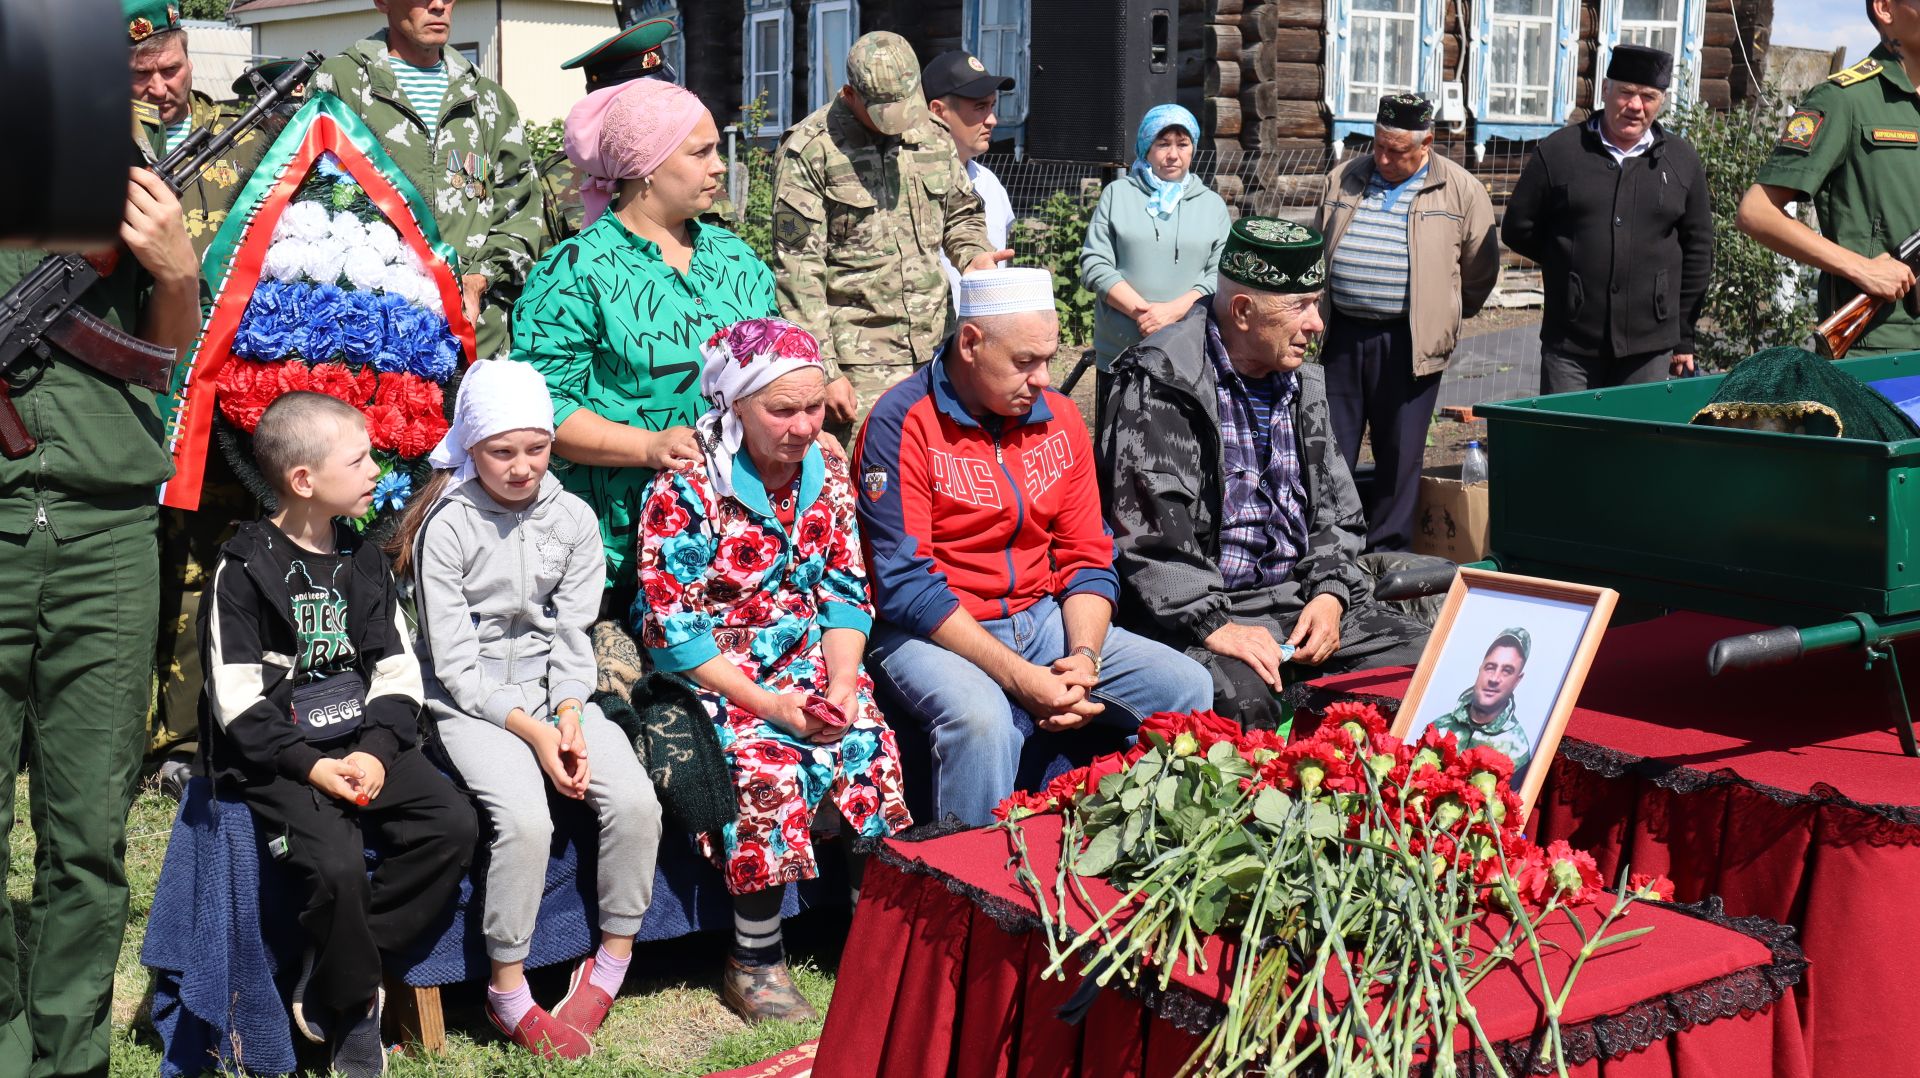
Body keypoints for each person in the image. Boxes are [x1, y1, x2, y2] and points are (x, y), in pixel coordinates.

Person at [0, 70, 199, 1078]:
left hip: (105, 532)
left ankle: (68, 1055)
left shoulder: (111, 167)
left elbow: (163, 362)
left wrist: (174, 273)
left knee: (87, 837)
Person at [856, 268, 1215, 826]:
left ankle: (1149, 859)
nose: (1044, 378)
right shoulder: (902, 420)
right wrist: (1021, 679)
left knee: (1186, 686)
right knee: (982, 722)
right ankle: (970, 898)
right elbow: (905, 586)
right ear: (971, 344)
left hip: (1040, 616)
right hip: (931, 631)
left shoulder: (1061, 418)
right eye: (1025, 361)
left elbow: (1088, 556)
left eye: (1048, 358)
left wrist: (1085, 658)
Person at [634, 318, 912, 1023]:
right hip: (715, 673)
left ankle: (869, 941)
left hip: (811, 664)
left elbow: (846, 593)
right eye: (781, 410)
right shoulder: (687, 486)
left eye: (812, 407)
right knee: (763, 763)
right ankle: (753, 958)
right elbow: (675, 630)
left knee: (867, 744)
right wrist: (769, 706)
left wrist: (844, 686)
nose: (802, 426)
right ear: (734, 405)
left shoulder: (827, 469)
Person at [200, 393, 476, 1077]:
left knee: (453, 824)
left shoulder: (364, 559)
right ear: (303, 480)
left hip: (363, 739)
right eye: (358, 459)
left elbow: (397, 670)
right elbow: (236, 703)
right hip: (283, 759)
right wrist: (313, 768)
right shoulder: (242, 570)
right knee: (336, 865)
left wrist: (376, 748)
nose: (375, 469)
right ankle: (356, 1010)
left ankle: (341, 962)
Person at [395, 361, 662, 1059]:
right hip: (470, 702)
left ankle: (612, 960)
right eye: (500, 452)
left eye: (536, 449)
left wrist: (571, 713)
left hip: (556, 691)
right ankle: (507, 987)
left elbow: (575, 635)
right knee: (524, 818)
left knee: (635, 803)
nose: (521, 467)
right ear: (471, 448)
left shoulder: (572, 518)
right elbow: (452, 663)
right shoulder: (447, 528)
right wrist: (535, 734)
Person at [1099, 219, 1431, 731]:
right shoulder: (1163, 383)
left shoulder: (1303, 384)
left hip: (1300, 601)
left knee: (1425, 665)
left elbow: (1337, 513)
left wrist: (1329, 594)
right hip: (1198, 616)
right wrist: (1214, 625)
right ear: (1243, 312)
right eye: (1299, 306)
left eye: (1316, 302)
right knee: (1242, 704)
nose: (1317, 323)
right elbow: (1149, 541)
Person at [515, 76, 775, 701]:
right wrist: (648, 447)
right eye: (701, 152)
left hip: (732, 541)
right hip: (616, 546)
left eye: (718, 150)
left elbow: (772, 377)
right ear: (645, 168)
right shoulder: (576, 270)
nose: (719, 167)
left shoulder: (738, 262)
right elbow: (542, 410)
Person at [141, 6, 285, 795]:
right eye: (140, 78)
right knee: (137, 569)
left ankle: (194, 735)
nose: (163, 89)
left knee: (214, 563)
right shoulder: (85, 148)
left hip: (224, 396)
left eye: (174, 68)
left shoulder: (246, 137)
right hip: (125, 394)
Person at [773, 31, 1011, 442]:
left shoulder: (932, 135)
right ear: (851, 94)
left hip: (939, 352)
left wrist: (972, 255)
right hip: (859, 366)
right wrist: (824, 371)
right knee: (870, 487)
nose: (901, 125)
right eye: (886, 113)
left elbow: (962, 213)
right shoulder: (811, 152)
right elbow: (798, 275)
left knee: (939, 481)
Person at [313, 0, 547, 364]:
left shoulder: (487, 100)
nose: (438, 5)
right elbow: (310, 204)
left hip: (476, 340)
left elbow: (521, 211)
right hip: (376, 340)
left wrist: (480, 277)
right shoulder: (341, 83)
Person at [1316, 93, 1499, 552]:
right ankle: (1331, 546)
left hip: (1410, 341)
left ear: (1427, 144)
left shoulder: (1460, 189)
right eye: (1378, 144)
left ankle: (1387, 555)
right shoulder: (1344, 178)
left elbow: (1480, 269)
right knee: (1330, 449)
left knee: (1400, 455)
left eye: (1396, 150)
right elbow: (1320, 244)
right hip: (1342, 334)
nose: (1382, 157)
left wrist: (1446, 311)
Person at [1504, 44, 1712, 392]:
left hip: (1649, 345)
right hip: (1570, 343)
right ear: (1605, 90)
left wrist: (1683, 338)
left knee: (1634, 445)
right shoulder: (1559, 152)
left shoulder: (1681, 161)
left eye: (1648, 96)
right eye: (1626, 93)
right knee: (1570, 438)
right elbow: (1518, 227)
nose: (1635, 106)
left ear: (1661, 100)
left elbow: (1698, 250)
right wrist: (1573, 263)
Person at [1736, 2, 1920, 355]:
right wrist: (1861, 268)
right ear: (1885, 8)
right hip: (1879, 354)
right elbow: (1757, 213)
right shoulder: (1846, 99)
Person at [1079, 103, 1231, 413]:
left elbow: (1220, 272)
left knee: (1180, 448)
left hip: (1188, 349)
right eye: (1163, 143)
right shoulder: (1117, 195)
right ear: (1146, 147)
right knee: (1117, 447)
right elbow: (1095, 264)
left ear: (1192, 149)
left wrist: (1173, 312)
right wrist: (1144, 313)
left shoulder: (1212, 205)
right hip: (1122, 349)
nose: (1173, 154)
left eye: (1182, 144)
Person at [541, 18, 680, 245]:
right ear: (603, 103)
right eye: (641, 100)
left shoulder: (691, 161)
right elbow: (548, 269)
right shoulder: (559, 177)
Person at [923, 50, 1018, 307]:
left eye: (992, 106)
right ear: (938, 111)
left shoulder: (990, 183)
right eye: (979, 107)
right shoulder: (903, 184)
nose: (992, 120)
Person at [1427, 628, 1534, 774]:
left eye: (1507, 671)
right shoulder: (1440, 726)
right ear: (1480, 668)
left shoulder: (1517, 749)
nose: (1494, 679)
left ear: (1517, 680)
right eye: (1490, 667)